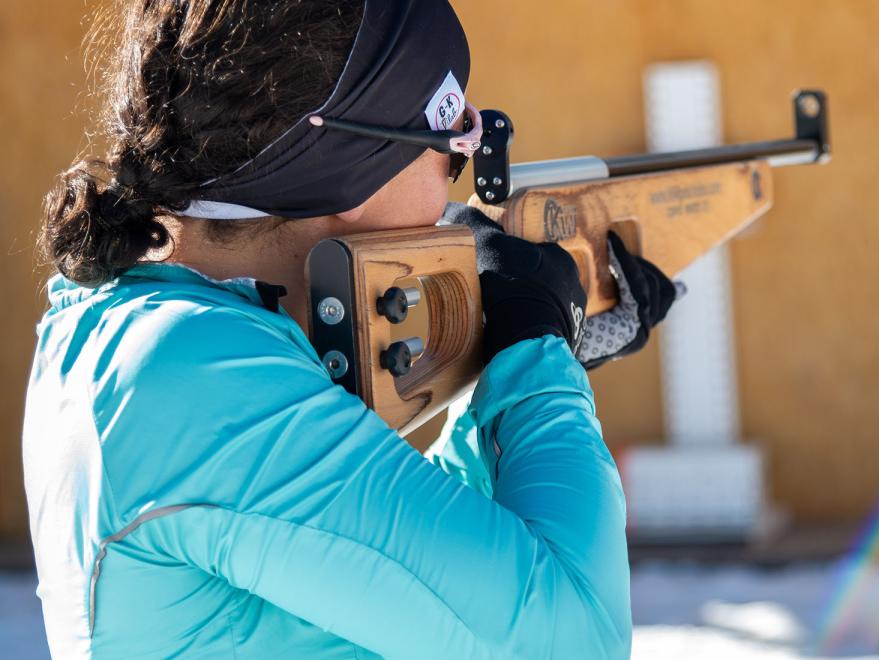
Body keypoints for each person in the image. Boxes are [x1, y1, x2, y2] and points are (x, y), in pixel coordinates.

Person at [24, 1, 676, 658]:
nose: (458, 193)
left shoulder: (139, 336)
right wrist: (540, 364)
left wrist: (524, 377)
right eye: (455, 153)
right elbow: (573, 639)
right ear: (358, 171)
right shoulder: (186, 378)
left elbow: (409, 576)